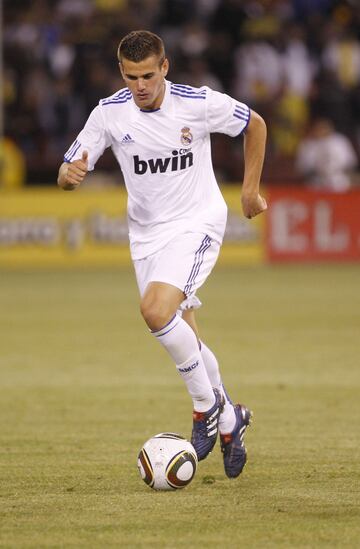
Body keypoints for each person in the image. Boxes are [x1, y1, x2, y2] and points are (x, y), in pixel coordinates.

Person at [57, 30, 267, 478]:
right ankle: (232, 419)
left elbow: (255, 124)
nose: (141, 85)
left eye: (148, 75)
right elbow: (70, 163)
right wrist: (68, 175)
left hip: (198, 223)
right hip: (147, 236)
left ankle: (205, 406)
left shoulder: (197, 102)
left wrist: (249, 189)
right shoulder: (109, 113)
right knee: (183, 329)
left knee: (155, 311)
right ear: (122, 73)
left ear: (164, 67)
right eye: (132, 77)